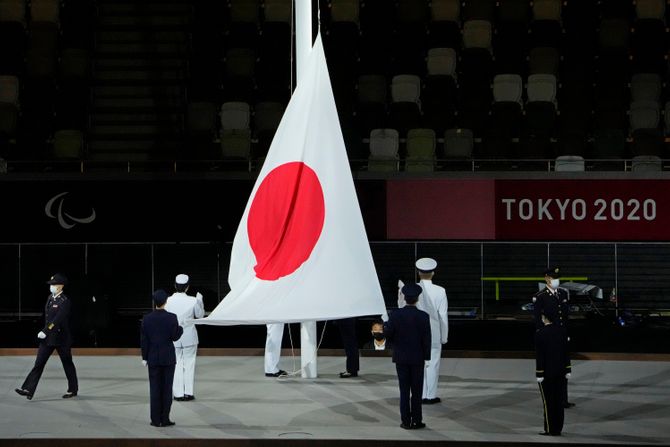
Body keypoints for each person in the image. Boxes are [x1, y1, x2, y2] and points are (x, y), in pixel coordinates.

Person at [15, 273, 79, 400]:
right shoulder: (50, 298)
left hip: (61, 339)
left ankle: (73, 389)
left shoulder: (65, 301)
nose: (52, 287)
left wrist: (45, 330)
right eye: (51, 285)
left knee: (67, 364)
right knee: (38, 364)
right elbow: (48, 317)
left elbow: (57, 320)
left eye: (54, 285)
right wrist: (46, 332)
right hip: (48, 339)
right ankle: (28, 389)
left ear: (61, 286)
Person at [398, 257, 449, 405]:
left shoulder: (411, 289)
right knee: (433, 364)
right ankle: (430, 396)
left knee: (417, 364)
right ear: (432, 273)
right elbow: (443, 316)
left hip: (414, 332)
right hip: (433, 332)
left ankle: (419, 394)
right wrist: (444, 337)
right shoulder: (440, 291)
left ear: (418, 272)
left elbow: (402, 308)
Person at [385, 283, 431, 430]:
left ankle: (405, 421)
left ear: (404, 298)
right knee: (417, 391)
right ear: (417, 298)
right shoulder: (423, 316)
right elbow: (426, 339)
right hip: (417, 358)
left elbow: (388, 335)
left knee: (404, 391)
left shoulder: (395, 315)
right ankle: (417, 420)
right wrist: (427, 357)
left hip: (401, 358)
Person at [532, 266, 574, 408]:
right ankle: (555, 399)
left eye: (557, 278)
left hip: (561, 335)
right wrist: (542, 335)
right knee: (553, 368)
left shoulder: (562, 293)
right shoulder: (540, 296)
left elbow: (565, 316)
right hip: (549, 336)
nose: (557, 281)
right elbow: (538, 319)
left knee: (563, 368)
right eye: (554, 278)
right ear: (547, 279)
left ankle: (563, 399)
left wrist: (566, 334)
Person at [141, 289, 183, 427]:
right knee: (167, 388)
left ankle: (155, 419)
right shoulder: (172, 317)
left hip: (153, 357)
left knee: (154, 389)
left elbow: (144, 340)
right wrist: (181, 329)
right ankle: (165, 419)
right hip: (168, 358)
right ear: (166, 302)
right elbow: (175, 337)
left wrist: (144, 357)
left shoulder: (147, 318)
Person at [164, 274, 205, 401]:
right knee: (190, 363)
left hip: (173, 336)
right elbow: (200, 315)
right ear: (187, 287)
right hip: (189, 336)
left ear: (175, 286)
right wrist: (200, 301)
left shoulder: (168, 300)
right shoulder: (193, 300)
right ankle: (189, 392)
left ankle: (178, 394)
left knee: (176, 364)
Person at [535, 308, 571, 436]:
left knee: (548, 402)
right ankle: (558, 429)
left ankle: (550, 429)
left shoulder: (541, 333)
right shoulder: (562, 331)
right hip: (561, 372)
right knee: (559, 401)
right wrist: (568, 369)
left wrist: (539, 373)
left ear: (545, 318)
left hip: (547, 373)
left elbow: (540, 356)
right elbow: (566, 352)